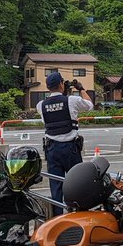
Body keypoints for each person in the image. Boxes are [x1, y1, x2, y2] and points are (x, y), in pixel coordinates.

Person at [36, 71, 93, 211]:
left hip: (52, 150)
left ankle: (58, 218)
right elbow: (89, 105)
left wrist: (64, 93)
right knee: (77, 183)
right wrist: (81, 89)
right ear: (61, 84)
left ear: (48, 87)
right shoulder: (72, 100)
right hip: (71, 149)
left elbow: (57, 108)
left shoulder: (41, 105)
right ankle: (79, 214)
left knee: (56, 187)